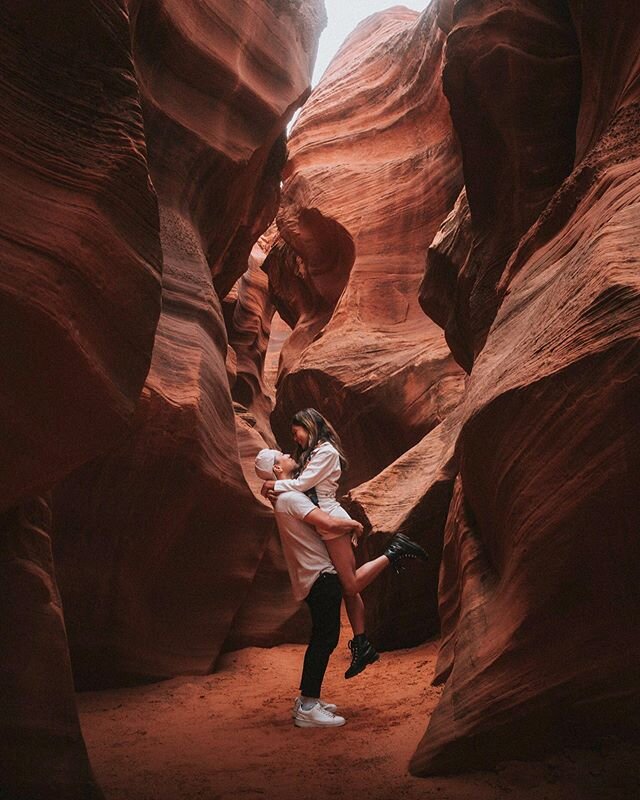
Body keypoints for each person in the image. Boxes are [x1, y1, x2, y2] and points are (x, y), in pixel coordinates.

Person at [257, 408, 429, 680]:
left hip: (331, 520)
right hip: (325, 520)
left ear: (310, 426)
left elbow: (301, 485)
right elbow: (298, 482)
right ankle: (362, 644)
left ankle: (395, 551)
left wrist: (272, 486)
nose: (295, 439)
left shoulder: (325, 452)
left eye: (296, 432)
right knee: (349, 589)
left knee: (350, 584)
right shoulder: (313, 453)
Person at [255, 450, 362, 728]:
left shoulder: (287, 496)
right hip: (320, 576)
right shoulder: (291, 498)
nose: (290, 454)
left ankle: (307, 702)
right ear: (278, 468)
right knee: (324, 640)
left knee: (322, 638)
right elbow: (326, 523)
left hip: (314, 576)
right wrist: (353, 524)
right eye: (283, 455)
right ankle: (308, 705)